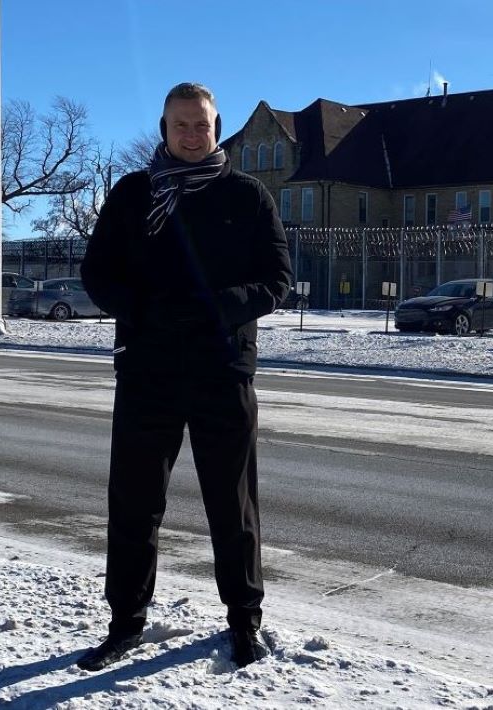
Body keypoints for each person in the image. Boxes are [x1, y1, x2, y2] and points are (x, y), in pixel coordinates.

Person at [77, 82, 293, 671]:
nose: (192, 135)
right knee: (134, 504)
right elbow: (96, 272)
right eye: (181, 125)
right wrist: (142, 310)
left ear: (216, 128)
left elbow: (278, 279)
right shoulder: (133, 194)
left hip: (222, 371)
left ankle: (245, 621)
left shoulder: (246, 195)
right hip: (147, 370)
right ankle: (125, 623)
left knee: (233, 505)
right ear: (163, 128)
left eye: (201, 125)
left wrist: (220, 304)